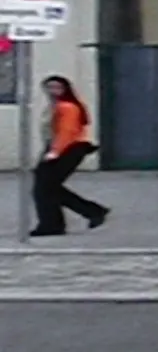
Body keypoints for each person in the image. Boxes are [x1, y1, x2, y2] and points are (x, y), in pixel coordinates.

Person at [30, 77, 107, 237]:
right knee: (48, 187)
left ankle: (52, 224)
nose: (53, 91)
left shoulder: (67, 107)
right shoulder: (55, 106)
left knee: (44, 188)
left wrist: (55, 152)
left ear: (66, 89)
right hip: (61, 148)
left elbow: (67, 132)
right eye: (49, 87)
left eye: (57, 87)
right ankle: (91, 211)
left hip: (69, 149)